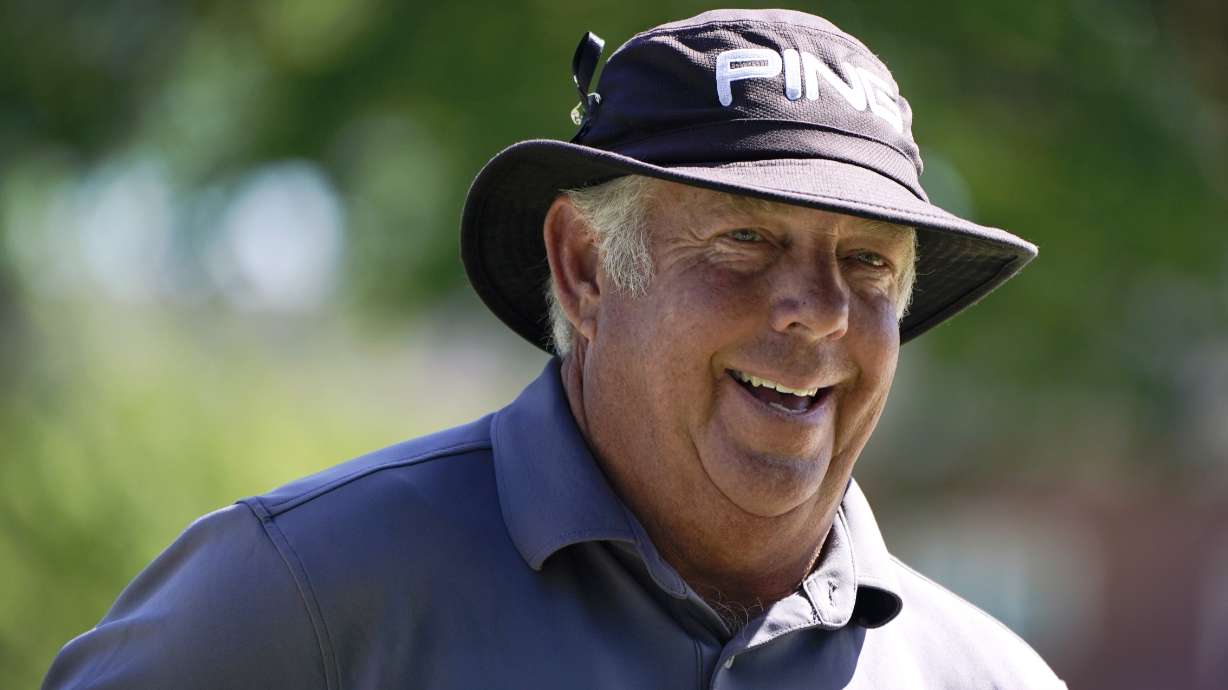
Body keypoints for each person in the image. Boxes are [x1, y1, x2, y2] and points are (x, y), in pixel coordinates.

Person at [44, 9, 1067, 689]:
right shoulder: (304, 595)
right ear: (584, 268)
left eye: (869, 265)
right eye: (746, 241)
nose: (818, 312)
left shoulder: (988, 677)